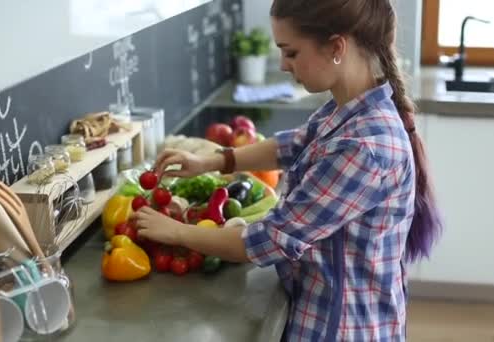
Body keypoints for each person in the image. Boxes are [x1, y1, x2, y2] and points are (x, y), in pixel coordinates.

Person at [132, 0, 443, 340]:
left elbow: (270, 239)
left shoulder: (366, 148)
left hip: (342, 328)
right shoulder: (348, 110)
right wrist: (214, 161)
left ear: (337, 47)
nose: (282, 64)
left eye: (291, 53)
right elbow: (293, 144)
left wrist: (176, 232)